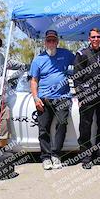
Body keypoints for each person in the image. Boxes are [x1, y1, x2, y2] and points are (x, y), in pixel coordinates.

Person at [29, 30, 75, 170]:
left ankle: (56, 155)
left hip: (63, 97)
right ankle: (46, 157)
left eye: (53, 40)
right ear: (45, 42)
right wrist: (36, 98)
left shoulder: (66, 54)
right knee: (44, 129)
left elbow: (79, 62)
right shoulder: (38, 59)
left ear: (57, 41)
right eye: (48, 40)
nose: (51, 42)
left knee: (62, 124)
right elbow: (34, 81)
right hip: (44, 98)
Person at [73, 28, 100, 169]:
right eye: (93, 37)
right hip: (87, 96)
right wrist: (81, 96)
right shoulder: (81, 54)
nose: (96, 39)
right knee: (85, 127)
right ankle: (86, 157)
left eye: (98, 36)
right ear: (89, 38)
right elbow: (76, 77)